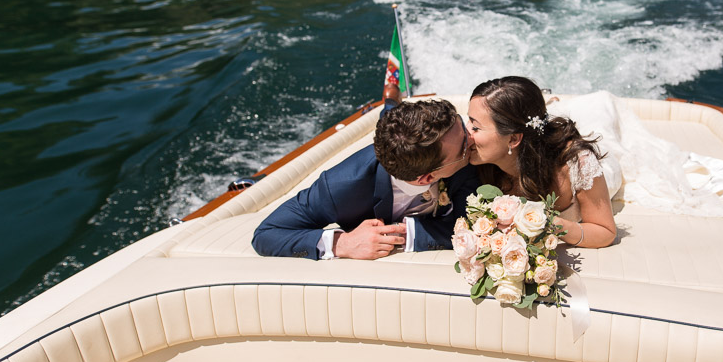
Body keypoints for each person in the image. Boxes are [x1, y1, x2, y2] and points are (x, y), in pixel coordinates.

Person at [252, 88, 479, 260]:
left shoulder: (463, 158)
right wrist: (342, 243)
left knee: (392, 119)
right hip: (378, 168)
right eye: (463, 146)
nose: (472, 139)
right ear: (428, 178)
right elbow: (266, 233)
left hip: (411, 156)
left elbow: (469, 225)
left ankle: (391, 104)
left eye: (461, 122)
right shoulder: (339, 186)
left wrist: (409, 234)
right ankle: (389, 100)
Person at [467, 76, 617, 248]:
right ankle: (551, 105)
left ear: (513, 138)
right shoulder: (479, 156)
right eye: (469, 120)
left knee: (606, 129)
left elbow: (605, 232)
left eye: (476, 127)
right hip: (533, 140)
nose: (467, 133)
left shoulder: (579, 164)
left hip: (604, 170)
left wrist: (546, 223)